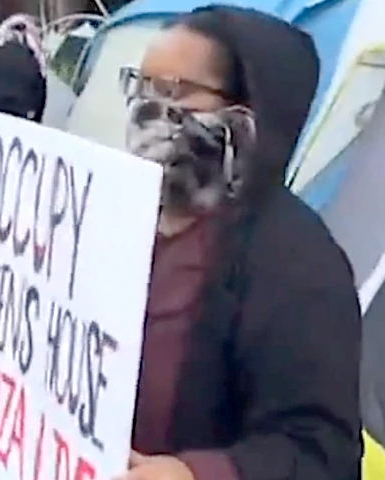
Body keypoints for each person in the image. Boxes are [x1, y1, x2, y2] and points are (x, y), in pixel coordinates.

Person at [115, 5, 363, 480]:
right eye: (140, 84)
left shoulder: (298, 264)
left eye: (172, 91)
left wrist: (195, 474)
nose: (145, 107)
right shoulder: (123, 211)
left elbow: (322, 454)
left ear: (246, 115)